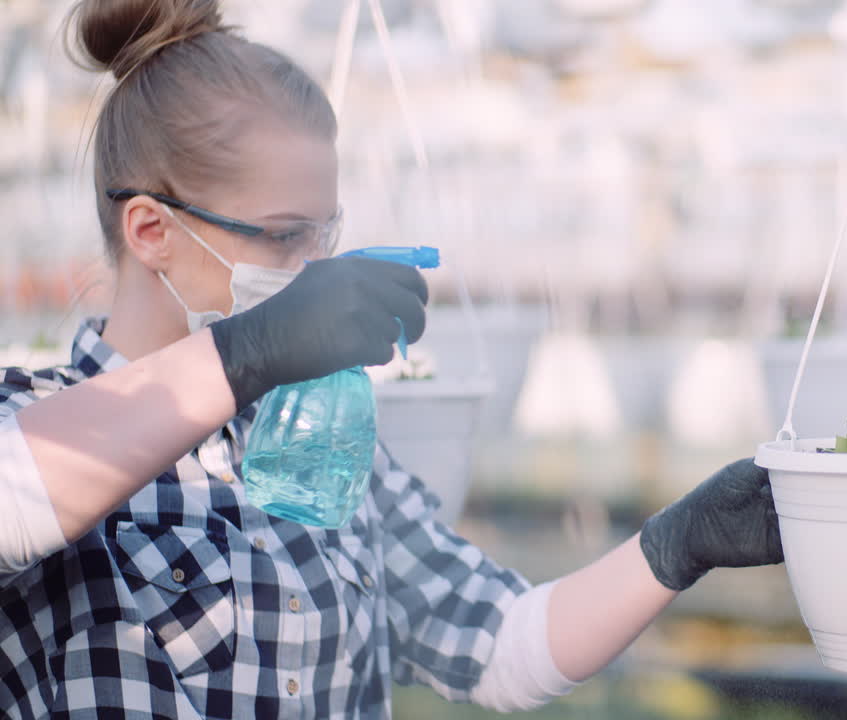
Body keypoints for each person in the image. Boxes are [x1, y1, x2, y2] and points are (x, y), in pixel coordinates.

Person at [0, 1, 784, 717]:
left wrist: (676, 544)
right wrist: (247, 350)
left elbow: (497, 644)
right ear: (149, 231)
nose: (313, 264)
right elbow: (17, 501)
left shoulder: (319, 445)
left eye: (325, 234)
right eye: (282, 234)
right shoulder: (31, 417)